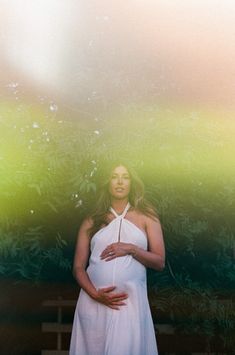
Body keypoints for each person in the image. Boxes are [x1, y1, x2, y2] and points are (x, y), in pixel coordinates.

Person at [69, 162, 165, 355]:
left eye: (125, 177)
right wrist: (95, 294)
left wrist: (131, 249)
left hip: (128, 304)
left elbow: (159, 262)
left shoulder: (147, 216)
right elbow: (78, 267)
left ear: (132, 183)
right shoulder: (92, 219)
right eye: (114, 176)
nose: (120, 182)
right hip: (93, 303)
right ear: (107, 182)